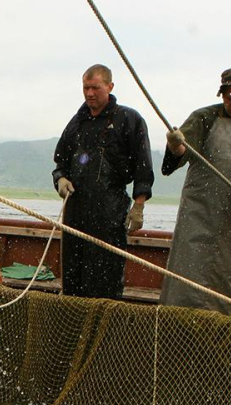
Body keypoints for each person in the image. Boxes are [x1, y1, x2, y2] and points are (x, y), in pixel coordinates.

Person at [159, 66, 231, 315]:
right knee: (185, 282)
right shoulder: (203, 118)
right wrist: (174, 144)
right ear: (222, 96)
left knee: (226, 286)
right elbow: (181, 154)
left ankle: (218, 342)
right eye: (230, 99)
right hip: (197, 216)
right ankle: (177, 332)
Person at [52, 64, 154, 299]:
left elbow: (143, 167)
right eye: (86, 88)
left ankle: (103, 329)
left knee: (105, 277)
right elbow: (60, 163)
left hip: (110, 211)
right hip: (75, 211)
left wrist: (138, 205)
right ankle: (75, 326)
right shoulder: (77, 122)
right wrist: (60, 179)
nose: (89, 93)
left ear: (110, 86)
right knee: (73, 276)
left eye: (95, 88)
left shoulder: (129, 119)